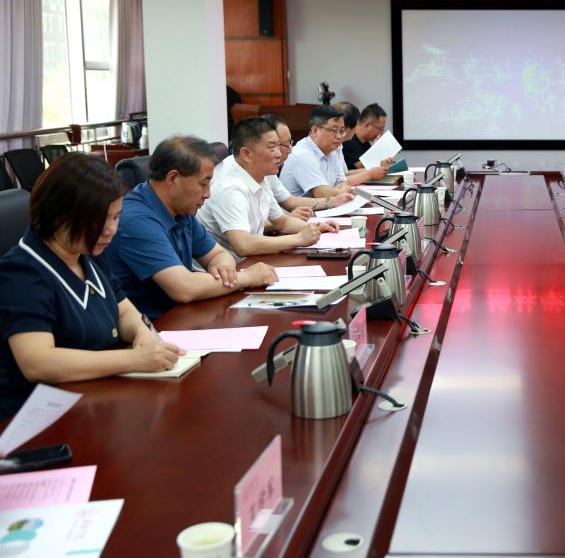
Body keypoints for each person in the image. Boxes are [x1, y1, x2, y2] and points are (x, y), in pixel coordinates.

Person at [0, 154, 184, 418]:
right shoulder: (22, 272)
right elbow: (38, 363)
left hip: (95, 399)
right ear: (59, 214)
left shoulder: (89, 255)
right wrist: (135, 359)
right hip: (39, 417)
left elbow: (124, 311)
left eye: (116, 217)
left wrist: (143, 335)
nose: (110, 230)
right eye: (99, 219)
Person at [103, 136, 278, 320]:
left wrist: (223, 268)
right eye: (203, 183)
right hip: (153, 327)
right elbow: (184, 288)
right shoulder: (137, 220)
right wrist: (248, 277)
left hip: (182, 316)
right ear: (173, 178)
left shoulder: (181, 209)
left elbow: (218, 255)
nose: (208, 194)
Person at [198, 117, 340, 260]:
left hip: (252, 261)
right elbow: (243, 245)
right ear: (246, 154)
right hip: (229, 268)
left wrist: (315, 227)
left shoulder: (259, 175)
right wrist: (298, 239)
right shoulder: (230, 187)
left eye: (278, 146)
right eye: (272, 148)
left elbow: (283, 222)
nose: (279, 153)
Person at [256, 114, 353, 219]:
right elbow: (248, 227)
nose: (290, 150)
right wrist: (288, 218)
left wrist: (334, 201)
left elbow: (290, 201)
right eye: (273, 146)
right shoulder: (302, 154)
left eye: (290, 143)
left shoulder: (269, 174)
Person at [280, 106, 387, 197]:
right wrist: (338, 191)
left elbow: (342, 182)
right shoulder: (303, 154)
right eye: (334, 130)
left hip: (325, 209)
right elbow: (322, 193)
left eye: (341, 131)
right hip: (300, 213)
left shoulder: (331, 151)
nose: (339, 136)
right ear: (315, 130)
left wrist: (338, 190)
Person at [342, 103, 394, 171]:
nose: (381, 133)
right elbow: (364, 167)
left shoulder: (365, 142)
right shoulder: (348, 140)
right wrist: (379, 148)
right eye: (380, 129)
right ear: (367, 125)